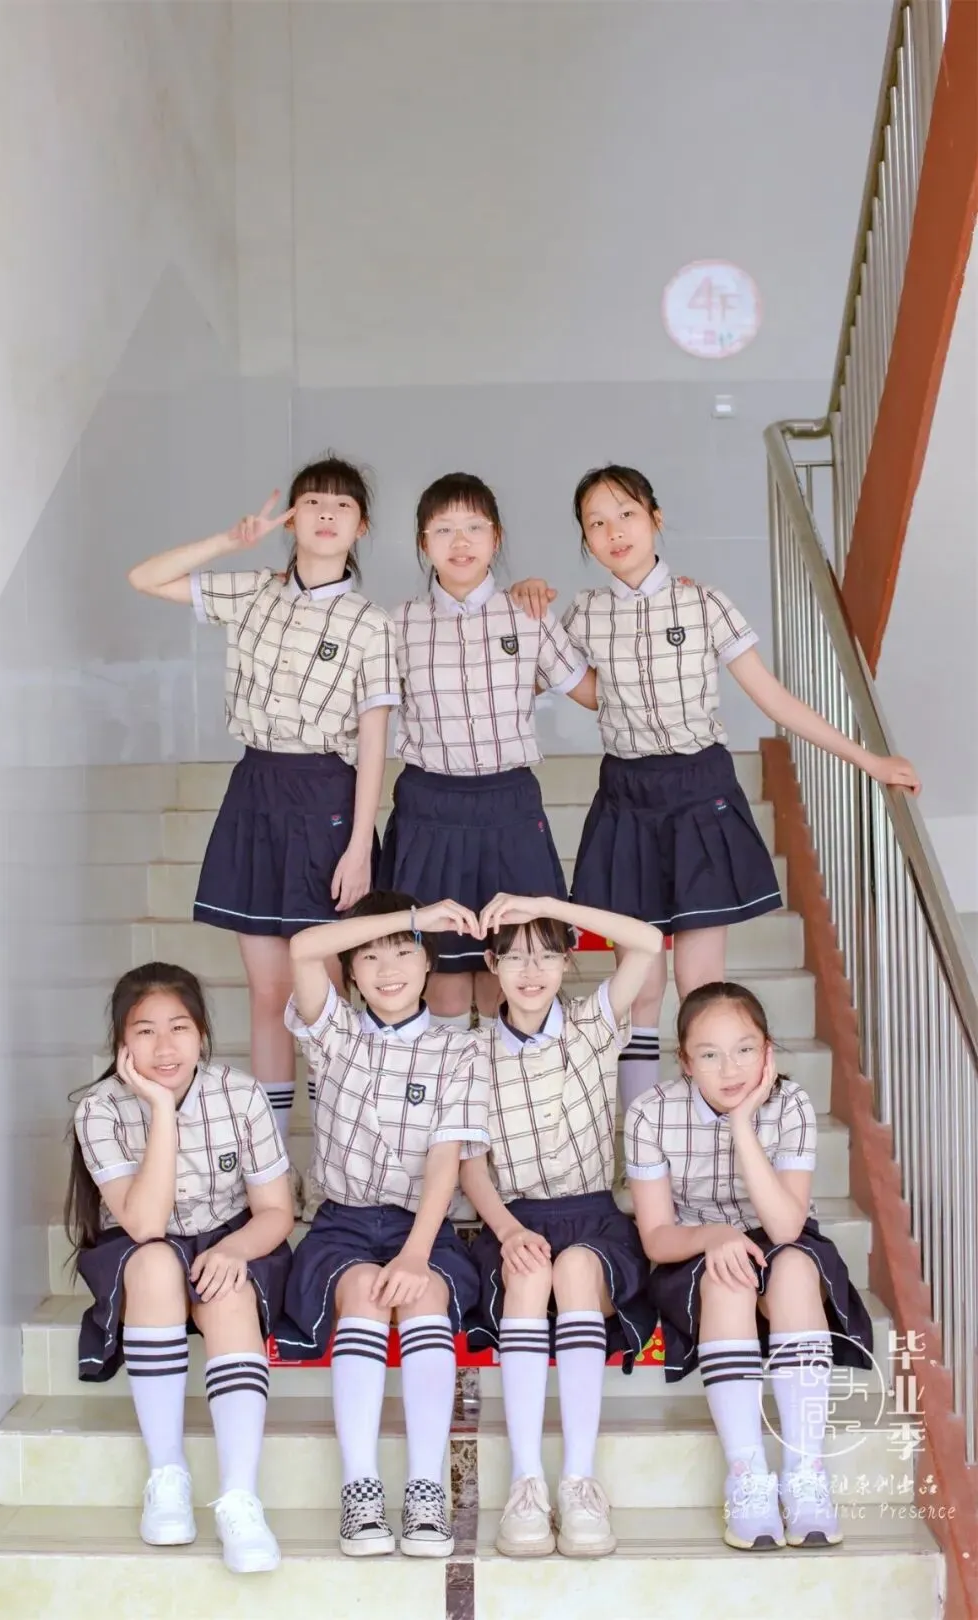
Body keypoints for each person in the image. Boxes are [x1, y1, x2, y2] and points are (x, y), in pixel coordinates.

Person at [511, 465, 920, 1110]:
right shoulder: (585, 613)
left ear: (655, 518)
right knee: (639, 986)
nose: (614, 532)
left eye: (627, 514)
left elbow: (774, 699)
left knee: (700, 984)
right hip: (626, 799)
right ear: (585, 539)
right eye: (597, 523)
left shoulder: (704, 603)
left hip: (700, 793)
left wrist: (868, 761)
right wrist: (525, 606)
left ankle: (705, 1133)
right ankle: (643, 1136)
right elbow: (581, 692)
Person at [127, 457, 399, 1187]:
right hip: (256, 787)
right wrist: (229, 541)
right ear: (291, 518)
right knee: (269, 994)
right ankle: (274, 1167)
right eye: (312, 502)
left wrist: (359, 845)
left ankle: (344, 1162)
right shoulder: (253, 591)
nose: (325, 515)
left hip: (328, 794)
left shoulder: (371, 624)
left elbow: (375, 739)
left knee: (330, 998)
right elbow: (144, 578)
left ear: (361, 527)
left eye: (342, 506)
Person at [274, 892, 489, 1559]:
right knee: (366, 1293)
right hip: (341, 1226)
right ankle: (360, 1488)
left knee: (422, 1295)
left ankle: (426, 1487)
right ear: (351, 972)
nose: (388, 968)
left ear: (428, 967)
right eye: (369, 957)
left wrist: (417, 1253)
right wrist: (411, 920)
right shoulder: (335, 1033)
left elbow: (446, 1162)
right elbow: (303, 948)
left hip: (423, 1226)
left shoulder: (460, 1050)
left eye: (403, 953)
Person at [624, 981, 874, 1550]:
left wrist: (742, 1124)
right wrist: (715, 1236)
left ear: (768, 1050)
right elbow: (658, 1238)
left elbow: (785, 1228)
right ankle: (748, 1477)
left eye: (744, 1049)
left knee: (794, 1270)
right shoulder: (650, 1113)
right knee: (728, 1279)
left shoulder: (791, 1104)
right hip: (696, 1244)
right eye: (709, 1054)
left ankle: (805, 1471)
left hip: (782, 1237)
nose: (730, 1068)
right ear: (685, 1061)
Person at [66, 963, 294, 1573]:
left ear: (202, 1033)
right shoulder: (100, 1109)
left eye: (179, 1028)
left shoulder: (240, 1093)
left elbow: (277, 1212)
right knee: (156, 1265)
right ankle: (166, 1474)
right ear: (121, 1042)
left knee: (228, 1291)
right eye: (145, 1031)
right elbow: (144, 1223)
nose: (164, 1047)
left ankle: (240, 1498)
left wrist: (235, 1250)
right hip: (144, 1245)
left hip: (228, 1237)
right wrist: (162, 1110)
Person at [463, 892, 663, 1559]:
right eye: (515, 956)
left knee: (576, 1267)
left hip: (593, 1217)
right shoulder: (470, 1052)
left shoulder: (593, 1023)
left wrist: (549, 904)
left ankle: (578, 1481)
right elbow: (469, 1165)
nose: (531, 971)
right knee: (528, 1273)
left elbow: (647, 941)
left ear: (568, 960)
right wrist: (506, 1231)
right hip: (514, 1220)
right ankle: (526, 1483)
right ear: (490, 964)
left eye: (547, 955)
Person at [380, 473, 595, 1031]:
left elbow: (591, 691)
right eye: (444, 529)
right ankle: (451, 1090)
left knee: (513, 972)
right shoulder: (396, 624)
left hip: (509, 806)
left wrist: (661, 615)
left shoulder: (528, 613)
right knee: (443, 977)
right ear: (423, 542)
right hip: (429, 807)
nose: (461, 542)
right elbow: (367, 715)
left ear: (496, 538)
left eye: (474, 527)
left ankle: (507, 1087)